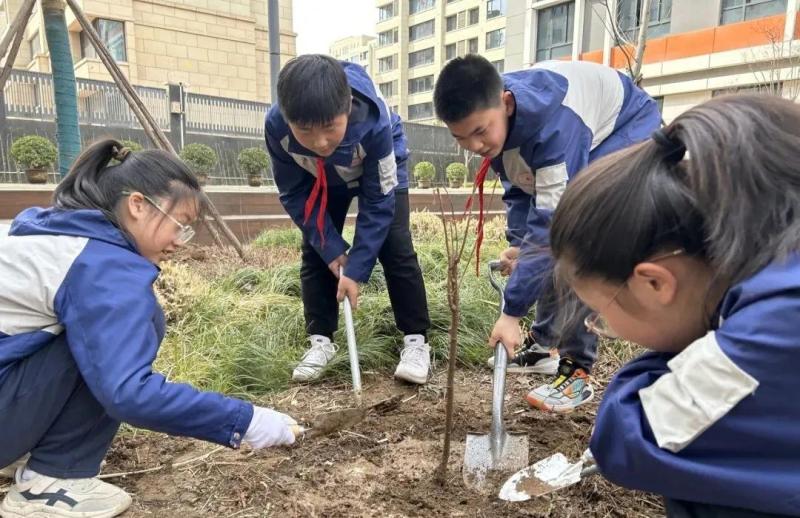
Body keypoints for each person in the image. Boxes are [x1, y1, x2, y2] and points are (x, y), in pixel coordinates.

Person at [0, 140, 299, 518]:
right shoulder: (101, 265)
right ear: (138, 205)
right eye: (180, 225)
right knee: (116, 342)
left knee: (97, 335)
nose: (180, 242)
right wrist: (246, 420)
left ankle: (30, 449)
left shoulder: (51, 231)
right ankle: (50, 481)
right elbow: (129, 392)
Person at [549, 94, 800, 517]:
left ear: (654, 282)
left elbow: (630, 436)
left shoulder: (777, 322)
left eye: (600, 315)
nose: (603, 326)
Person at [433, 54, 661, 412]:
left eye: (480, 132)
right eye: (462, 138)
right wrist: (518, 245)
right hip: (582, 127)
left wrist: (511, 313)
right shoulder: (499, 125)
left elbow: (551, 224)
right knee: (545, 247)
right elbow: (520, 188)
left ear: (507, 104)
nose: (475, 146)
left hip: (627, 127)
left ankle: (577, 370)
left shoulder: (556, 129)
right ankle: (543, 345)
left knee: (578, 239)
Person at [264, 55, 431, 385]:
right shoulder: (276, 127)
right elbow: (294, 193)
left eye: (330, 127)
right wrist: (331, 248)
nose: (320, 142)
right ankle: (320, 341)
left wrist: (356, 270)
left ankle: (416, 341)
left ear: (348, 106)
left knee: (396, 245)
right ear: (288, 118)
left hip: (377, 170)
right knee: (316, 252)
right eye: (305, 131)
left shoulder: (374, 122)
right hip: (318, 178)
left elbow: (379, 202)